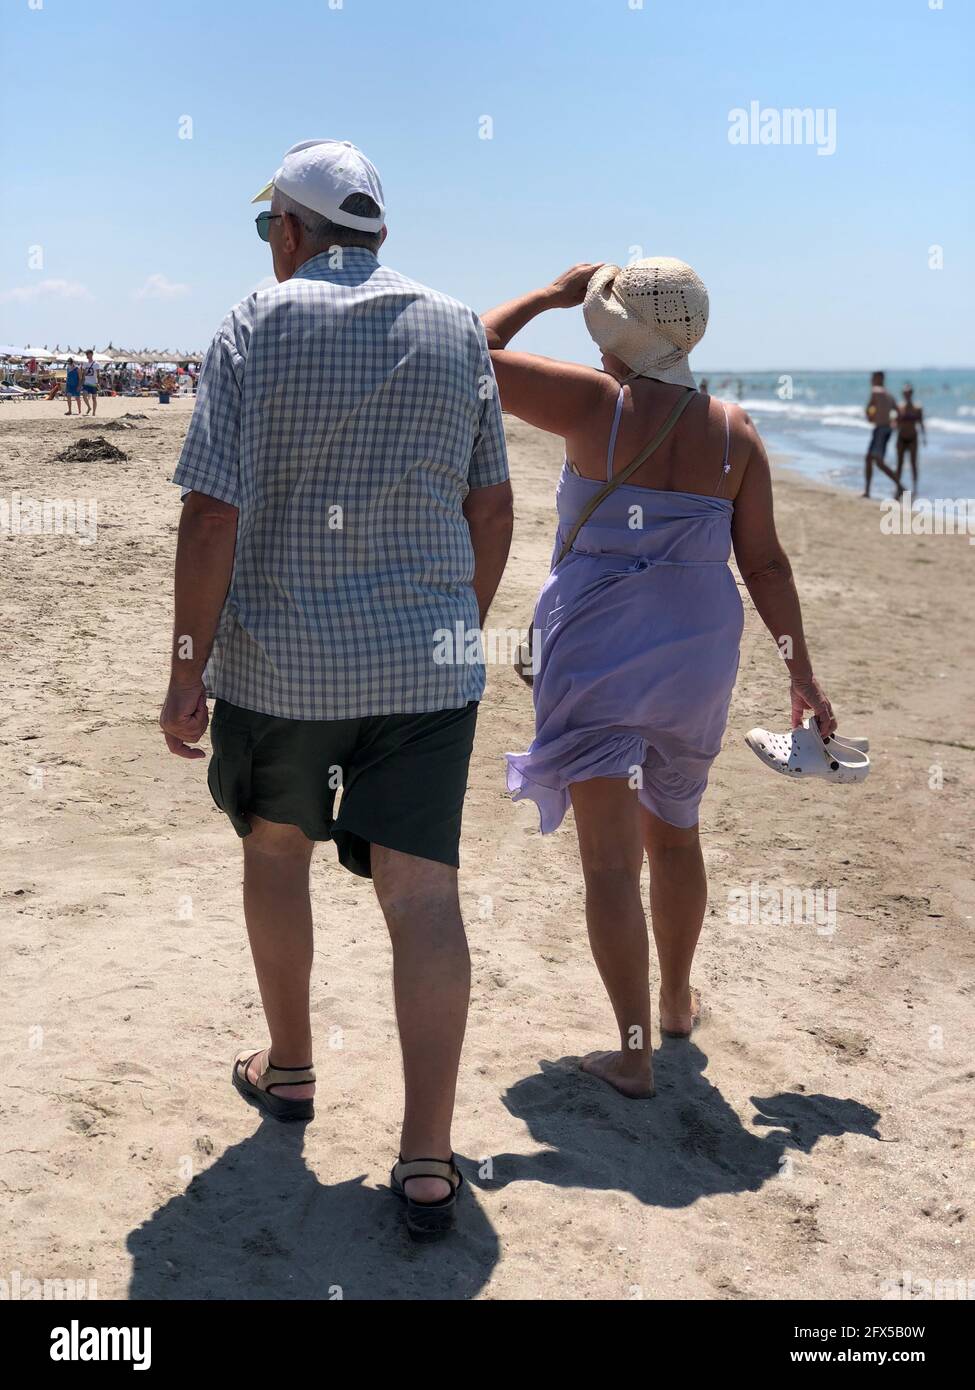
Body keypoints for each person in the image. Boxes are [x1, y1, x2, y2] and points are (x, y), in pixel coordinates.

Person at [158, 139, 512, 1239]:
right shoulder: (457, 326)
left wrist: (184, 671)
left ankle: (295, 1068)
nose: (269, 244)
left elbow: (211, 512)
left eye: (270, 227)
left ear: (294, 232)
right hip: (425, 667)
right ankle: (425, 1158)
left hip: (280, 666)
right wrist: (452, 626)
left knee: (276, 851)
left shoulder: (252, 326)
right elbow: (490, 507)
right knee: (423, 900)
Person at [482, 257, 835, 1100]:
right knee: (673, 832)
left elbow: (470, 351)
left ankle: (633, 1052)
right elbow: (767, 564)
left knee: (609, 864)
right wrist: (802, 677)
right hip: (698, 644)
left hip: (601, 639)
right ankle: (675, 1004)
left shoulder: (592, 403)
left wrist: (543, 295)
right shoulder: (732, 430)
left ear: (610, 329)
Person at [862, 370, 900, 498]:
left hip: (880, 430)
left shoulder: (876, 391)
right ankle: (899, 486)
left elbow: (868, 410)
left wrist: (869, 415)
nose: (871, 380)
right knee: (874, 461)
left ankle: (900, 487)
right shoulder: (889, 395)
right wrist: (893, 423)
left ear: (879, 378)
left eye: (873, 378)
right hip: (886, 429)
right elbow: (898, 412)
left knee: (876, 461)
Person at [895, 383, 925, 492]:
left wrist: (924, 437)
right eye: (905, 393)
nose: (907, 395)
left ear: (912, 393)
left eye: (908, 393)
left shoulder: (917, 407)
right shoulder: (899, 407)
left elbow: (921, 423)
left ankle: (915, 488)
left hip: (913, 438)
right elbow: (895, 423)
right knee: (899, 464)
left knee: (913, 463)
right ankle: (897, 487)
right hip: (901, 438)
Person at [81, 349, 99, 415]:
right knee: (84, 396)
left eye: (87, 354)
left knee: (94, 398)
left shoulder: (96, 364)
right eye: (86, 354)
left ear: (91, 354)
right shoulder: (85, 363)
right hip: (86, 383)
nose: (86, 355)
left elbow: (98, 374)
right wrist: (81, 382)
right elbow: (83, 374)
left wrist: (98, 382)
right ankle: (89, 407)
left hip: (94, 383)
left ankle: (94, 412)